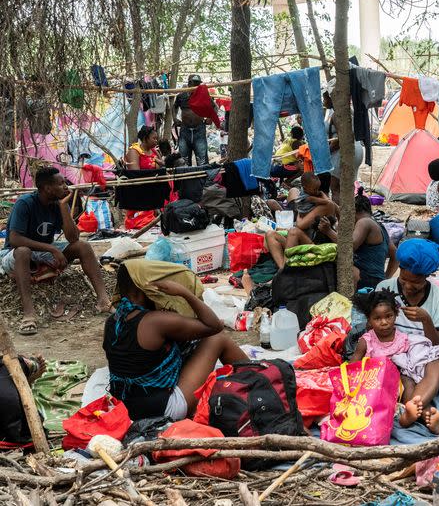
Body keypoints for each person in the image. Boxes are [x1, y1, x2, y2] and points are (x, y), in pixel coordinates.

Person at [103, 263, 248, 421]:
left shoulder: (113, 321)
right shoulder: (155, 321)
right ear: (143, 290)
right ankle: (256, 377)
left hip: (123, 407)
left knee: (189, 346)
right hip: (163, 410)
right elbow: (214, 326)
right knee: (217, 339)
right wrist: (184, 293)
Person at [1, 167, 111, 334]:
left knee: (84, 247)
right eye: (61, 183)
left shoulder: (58, 204)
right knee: (23, 251)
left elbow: (73, 238)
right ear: (47, 188)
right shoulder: (25, 203)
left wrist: (63, 207)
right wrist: (51, 248)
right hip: (16, 254)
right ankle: (29, 314)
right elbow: (15, 240)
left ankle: (103, 300)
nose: (66, 186)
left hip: (42, 252)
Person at [349, 289, 439, 435]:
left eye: (388, 316)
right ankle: (423, 418)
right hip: (379, 381)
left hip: (401, 377)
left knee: (410, 387)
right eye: (377, 318)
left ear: (396, 315)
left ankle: (414, 416)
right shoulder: (367, 340)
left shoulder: (402, 337)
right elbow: (353, 365)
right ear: (369, 320)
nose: (384, 322)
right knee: (407, 389)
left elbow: (416, 356)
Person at [315, 188, 398, 290]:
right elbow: (395, 256)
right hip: (376, 280)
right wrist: (385, 278)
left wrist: (328, 231)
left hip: (365, 279)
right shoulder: (380, 226)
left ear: (352, 212)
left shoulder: (364, 222)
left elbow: (350, 246)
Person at [264, 172, 339, 268]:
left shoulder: (326, 204)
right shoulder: (313, 199)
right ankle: (283, 268)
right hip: (305, 240)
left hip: (316, 245)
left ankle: (284, 271)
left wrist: (300, 211)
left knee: (294, 231)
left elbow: (300, 225)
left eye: (317, 189)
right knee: (270, 234)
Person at [322, 84, 364, 203]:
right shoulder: (347, 111)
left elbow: (343, 138)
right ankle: (348, 214)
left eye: (325, 98)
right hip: (356, 149)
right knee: (347, 188)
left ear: (332, 99)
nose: (324, 102)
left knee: (336, 188)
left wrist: (327, 152)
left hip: (342, 151)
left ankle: (340, 217)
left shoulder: (337, 115)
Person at [174, 74, 212, 166]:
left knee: (202, 160)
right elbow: (174, 107)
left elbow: (214, 107)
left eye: (198, 84)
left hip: (199, 130)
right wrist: (174, 118)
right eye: (195, 83)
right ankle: (185, 180)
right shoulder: (181, 96)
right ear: (189, 83)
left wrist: (210, 118)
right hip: (185, 130)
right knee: (184, 160)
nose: (197, 86)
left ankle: (204, 180)